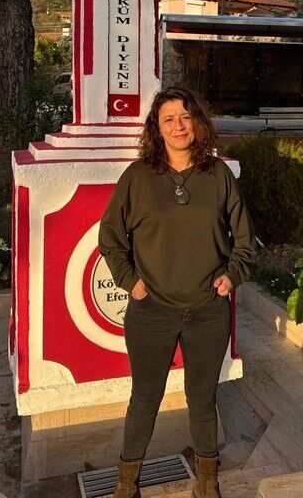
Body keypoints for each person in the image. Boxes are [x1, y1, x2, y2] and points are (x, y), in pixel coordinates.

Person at [98, 86, 255, 498]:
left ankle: (207, 482)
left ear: (197, 122)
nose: (178, 126)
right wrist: (130, 281)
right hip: (152, 312)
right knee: (144, 399)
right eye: (169, 119)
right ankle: (126, 484)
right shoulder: (137, 178)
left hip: (207, 311)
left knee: (202, 399)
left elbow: (244, 239)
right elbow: (110, 237)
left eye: (185, 117)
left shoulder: (218, 175)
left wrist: (232, 275)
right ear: (157, 127)